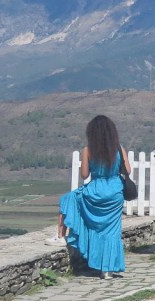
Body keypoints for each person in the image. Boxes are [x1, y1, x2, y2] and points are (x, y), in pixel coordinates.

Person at [54, 115, 131, 279]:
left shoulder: (88, 150)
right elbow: (128, 170)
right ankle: (108, 269)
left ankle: (61, 235)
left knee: (68, 199)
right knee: (112, 231)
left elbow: (84, 175)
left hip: (96, 191)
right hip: (115, 192)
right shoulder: (119, 149)